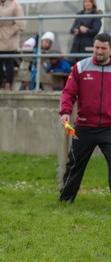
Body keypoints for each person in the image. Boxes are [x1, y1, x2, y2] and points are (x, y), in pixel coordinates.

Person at [59, 33, 111, 203]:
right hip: (84, 126)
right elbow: (68, 92)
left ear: (109, 49)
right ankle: (65, 200)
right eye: (97, 47)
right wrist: (65, 111)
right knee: (74, 164)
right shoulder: (81, 67)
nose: (99, 51)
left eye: (103, 48)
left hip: (109, 127)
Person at [0, 0, 25, 91]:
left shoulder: (15, 5)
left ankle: (8, 83)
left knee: (8, 61)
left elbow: (21, 25)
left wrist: (9, 32)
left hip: (9, 39)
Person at [69, 0, 102, 65]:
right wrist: (77, 29)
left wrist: (86, 30)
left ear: (93, 3)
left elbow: (96, 30)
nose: (87, 3)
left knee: (86, 64)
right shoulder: (79, 14)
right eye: (86, 1)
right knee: (75, 66)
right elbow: (72, 29)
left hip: (88, 45)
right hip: (77, 45)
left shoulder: (96, 15)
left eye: (89, 2)